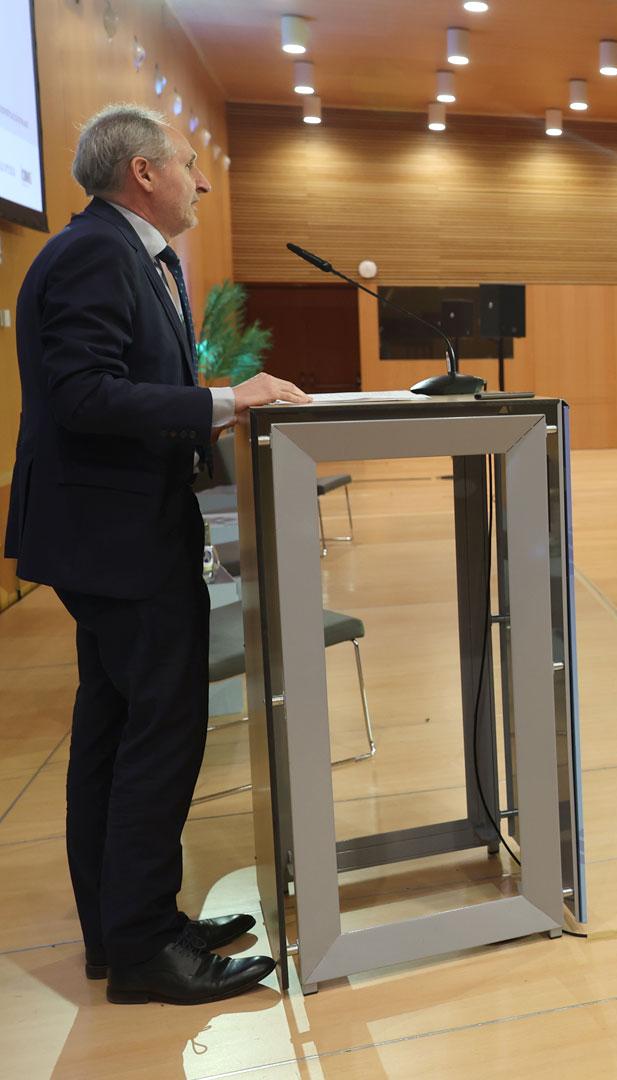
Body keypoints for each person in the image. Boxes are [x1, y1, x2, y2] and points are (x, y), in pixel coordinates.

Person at [7, 104, 301, 1004]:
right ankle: (140, 949)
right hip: (117, 539)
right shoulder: (98, 252)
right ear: (143, 171)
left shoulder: (123, 253)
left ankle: (128, 924)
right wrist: (222, 400)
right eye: (185, 162)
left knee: (114, 729)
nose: (201, 180)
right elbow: (87, 393)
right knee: (160, 733)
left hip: (113, 534)